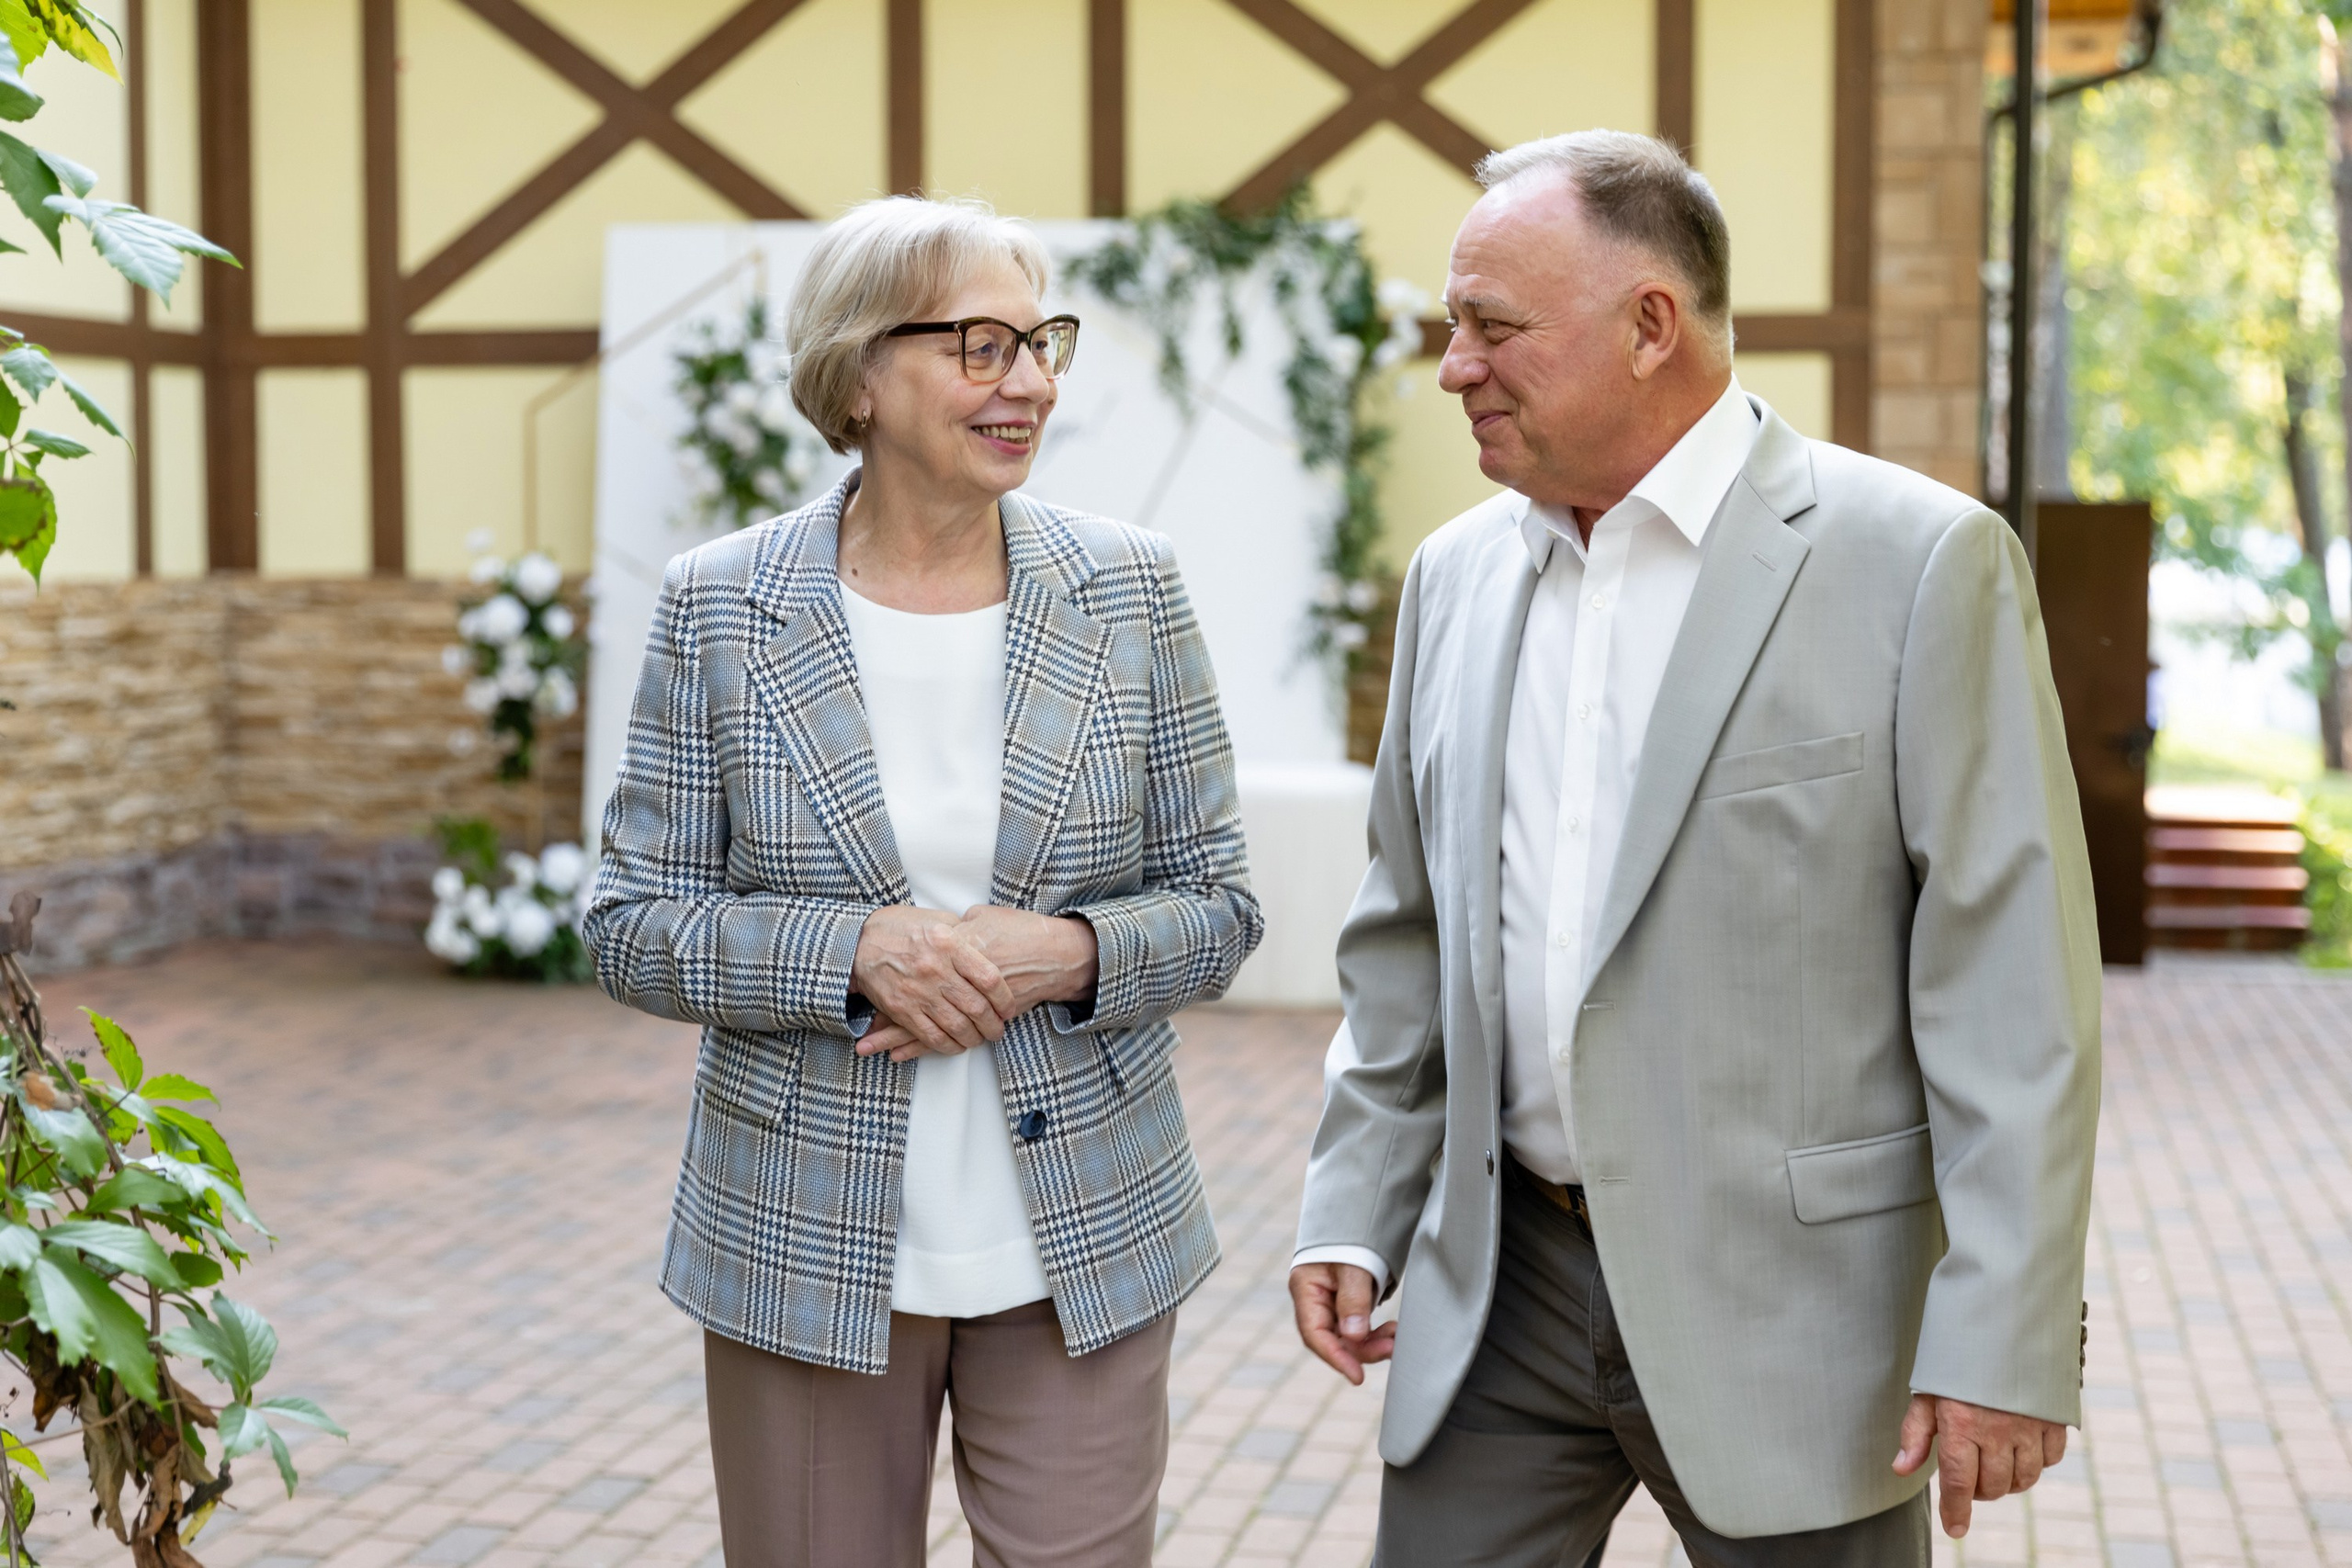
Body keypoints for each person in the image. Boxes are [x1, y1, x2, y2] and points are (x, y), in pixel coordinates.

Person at [1289, 130, 2101, 1566]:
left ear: (1651, 325)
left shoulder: (1922, 563)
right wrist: (1352, 1211)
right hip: (1504, 1292)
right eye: (1452, 325)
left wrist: (2004, 1329)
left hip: (1802, 1314)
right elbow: (1407, 934)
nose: (1453, 366)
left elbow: (2010, 980)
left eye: (1493, 327)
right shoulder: (1454, 578)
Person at [584, 195, 1261, 1568]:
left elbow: (1221, 902)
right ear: (860, 371)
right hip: (803, 1238)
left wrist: (1063, 954)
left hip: (1087, 1229)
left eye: (1041, 341)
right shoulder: (720, 602)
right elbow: (630, 921)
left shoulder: (1132, 591)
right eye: (980, 345)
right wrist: (851, 953)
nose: (1032, 381)